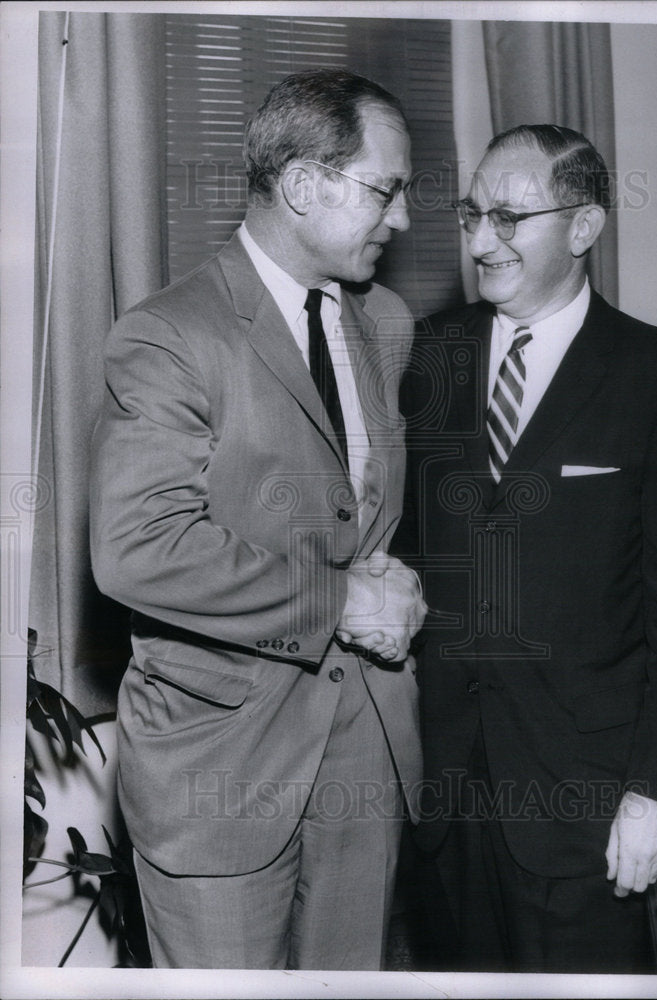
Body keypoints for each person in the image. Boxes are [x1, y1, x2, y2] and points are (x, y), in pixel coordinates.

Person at [89, 69, 426, 970]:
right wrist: (344, 601)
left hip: (364, 749)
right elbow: (138, 550)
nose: (400, 220)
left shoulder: (385, 323)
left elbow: (358, 513)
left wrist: (388, 582)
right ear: (304, 184)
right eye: (385, 190)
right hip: (220, 767)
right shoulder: (168, 334)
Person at [395, 124, 657, 973]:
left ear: (583, 228)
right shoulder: (427, 357)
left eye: (509, 218)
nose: (479, 241)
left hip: (588, 802)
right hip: (446, 798)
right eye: (472, 215)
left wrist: (655, 793)